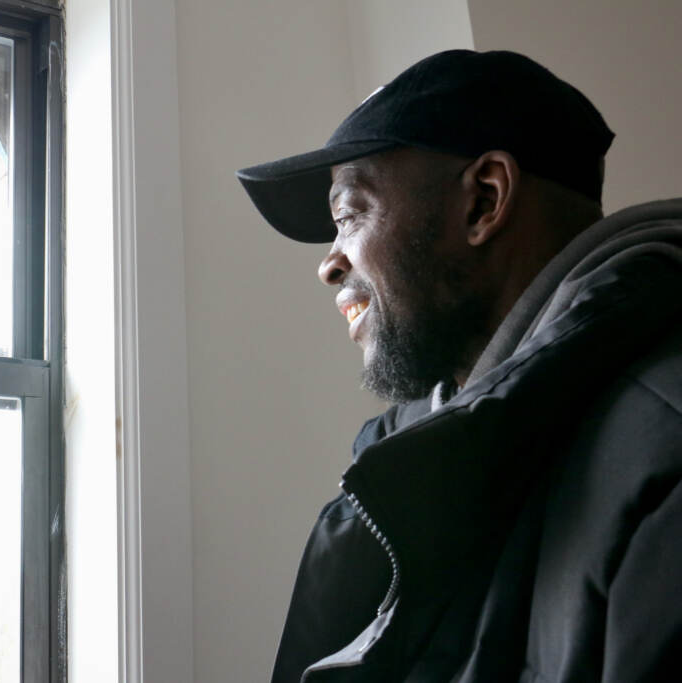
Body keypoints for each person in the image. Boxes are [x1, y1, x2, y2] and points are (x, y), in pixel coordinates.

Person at [236, 49, 682, 682]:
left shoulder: (664, 453)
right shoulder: (430, 460)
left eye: (348, 214)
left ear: (483, 201)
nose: (329, 263)